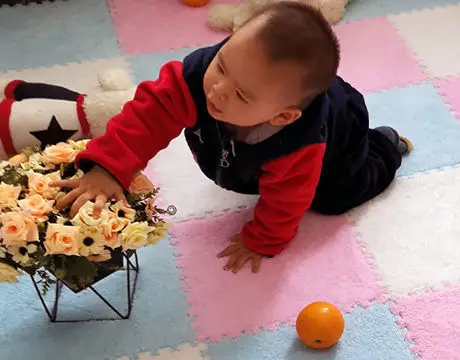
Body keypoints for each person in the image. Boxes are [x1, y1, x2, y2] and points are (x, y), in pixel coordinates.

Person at [56, 1, 411, 273]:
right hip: (246, 144)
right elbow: (148, 117)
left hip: (341, 138)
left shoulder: (297, 144)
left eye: (240, 94)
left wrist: (262, 241)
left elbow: (288, 199)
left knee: (332, 198)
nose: (218, 90)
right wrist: (109, 167)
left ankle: (385, 145)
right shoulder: (198, 79)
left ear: (281, 116)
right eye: (222, 64)